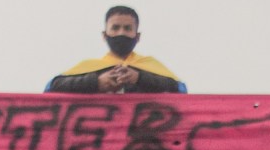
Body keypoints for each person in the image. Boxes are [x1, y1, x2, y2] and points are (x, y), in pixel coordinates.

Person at [48, 5, 184, 95]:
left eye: (127, 28)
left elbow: (180, 89)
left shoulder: (149, 66)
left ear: (137, 36)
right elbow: (52, 87)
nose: (121, 33)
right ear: (104, 34)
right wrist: (96, 82)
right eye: (115, 28)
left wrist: (140, 78)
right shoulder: (91, 68)